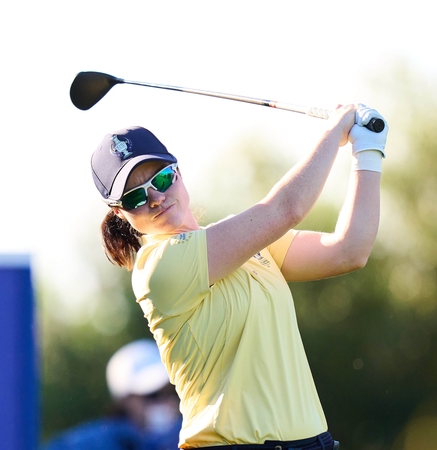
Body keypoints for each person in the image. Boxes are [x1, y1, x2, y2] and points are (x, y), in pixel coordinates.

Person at [89, 104, 387, 449]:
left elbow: (349, 250)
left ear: (178, 172)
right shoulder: (157, 267)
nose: (155, 198)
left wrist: (368, 151)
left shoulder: (247, 246)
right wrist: (334, 131)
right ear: (120, 214)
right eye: (136, 197)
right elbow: (285, 209)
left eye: (162, 179)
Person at [43, 339, 182, 450]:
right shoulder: (82, 445)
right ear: (124, 400)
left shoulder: (193, 436)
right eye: (153, 395)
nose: (167, 402)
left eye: (172, 392)